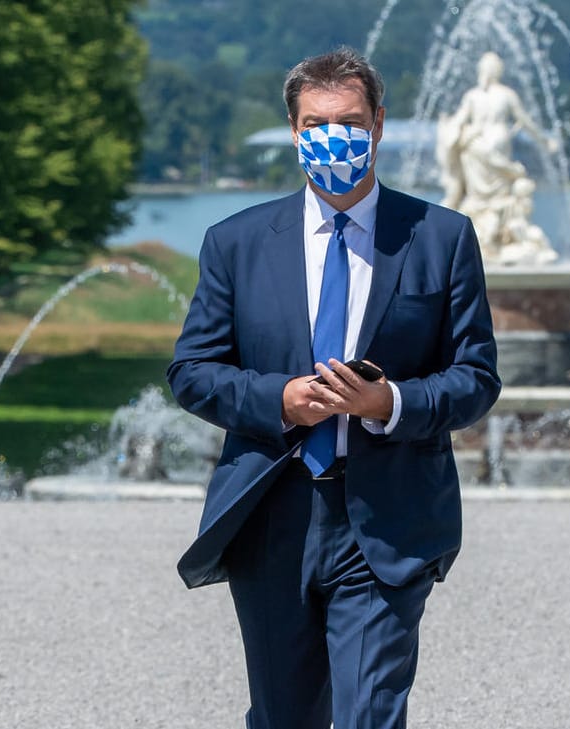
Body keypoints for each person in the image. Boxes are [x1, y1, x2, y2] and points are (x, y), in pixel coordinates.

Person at [168, 47, 501, 729]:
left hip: (386, 516)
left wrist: (389, 403)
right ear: (294, 131)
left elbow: (475, 379)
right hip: (270, 509)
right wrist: (278, 400)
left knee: (368, 715)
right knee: (282, 715)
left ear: (377, 123)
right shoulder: (235, 242)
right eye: (316, 123)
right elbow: (192, 370)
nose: (333, 136)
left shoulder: (440, 237)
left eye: (348, 120)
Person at [436, 51, 558, 261]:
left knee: (477, 197)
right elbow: (525, 120)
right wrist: (544, 140)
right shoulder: (507, 94)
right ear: (499, 71)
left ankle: (485, 240)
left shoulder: (472, 96)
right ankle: (495, 239)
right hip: (498, 144)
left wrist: (446, 130)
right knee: (500, 197)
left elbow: (457, 123)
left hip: (475, 147)